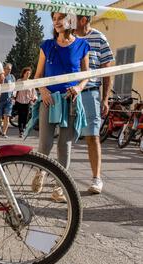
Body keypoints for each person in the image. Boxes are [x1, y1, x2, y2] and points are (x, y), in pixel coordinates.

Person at [27, 12, 90, 203]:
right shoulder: (47, 45)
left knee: (65, 145)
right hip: (49, 100)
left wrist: (79, 88)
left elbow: (86, 74)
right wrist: (43, 91)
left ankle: (59, 189)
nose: (56, 22)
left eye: (60, 17)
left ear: (70, 20)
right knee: (45, 144)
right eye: (54, 19)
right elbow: (38, 76)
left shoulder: (82, 45)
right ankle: (40, 172)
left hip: (70, 100)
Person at [75, 15, 114, 195]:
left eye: (71, 17)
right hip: (67, 94)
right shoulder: (65, 36)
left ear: (83, 20)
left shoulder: (99, 38)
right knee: (64, 139)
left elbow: (107, 72)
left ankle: (96, 178)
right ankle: (57, 180)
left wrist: (105, 99)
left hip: (90, 92)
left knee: (93, 136)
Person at [13, 67, 37, 138]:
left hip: (27, 101)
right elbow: (15, 90)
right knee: (20, 116)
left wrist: (34, 98)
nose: (28, 75)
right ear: (23, 73)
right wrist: (13, 97)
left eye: (29, 74)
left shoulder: (31, 82)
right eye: (27, 73)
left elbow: (33, 92)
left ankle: (23, 128)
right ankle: (21, 131)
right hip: (19, 101)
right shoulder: (19, 81)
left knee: (26, 117)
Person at [0, 63, 16, 138]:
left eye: (10, 69)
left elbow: (14, 88)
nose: (9, 70)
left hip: (9, 100)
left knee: (7, 116)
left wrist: (13, 97)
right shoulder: (0, 76)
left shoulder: (12, 77)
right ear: (4, 69)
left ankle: (4, 133)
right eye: (7, 68)